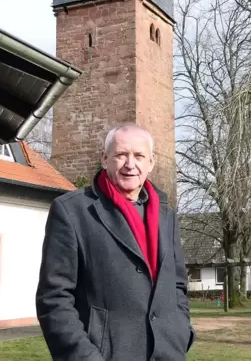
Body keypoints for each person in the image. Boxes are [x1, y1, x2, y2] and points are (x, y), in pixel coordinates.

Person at [36, 123, 195, 360]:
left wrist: (182, 332)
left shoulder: (166, 216)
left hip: (167, 354)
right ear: (104, 158)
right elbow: (54, 299)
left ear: (150, 163)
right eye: (121, 155)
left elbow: (177, 285)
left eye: (139, 156)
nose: (130, 164)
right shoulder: (73, 211)